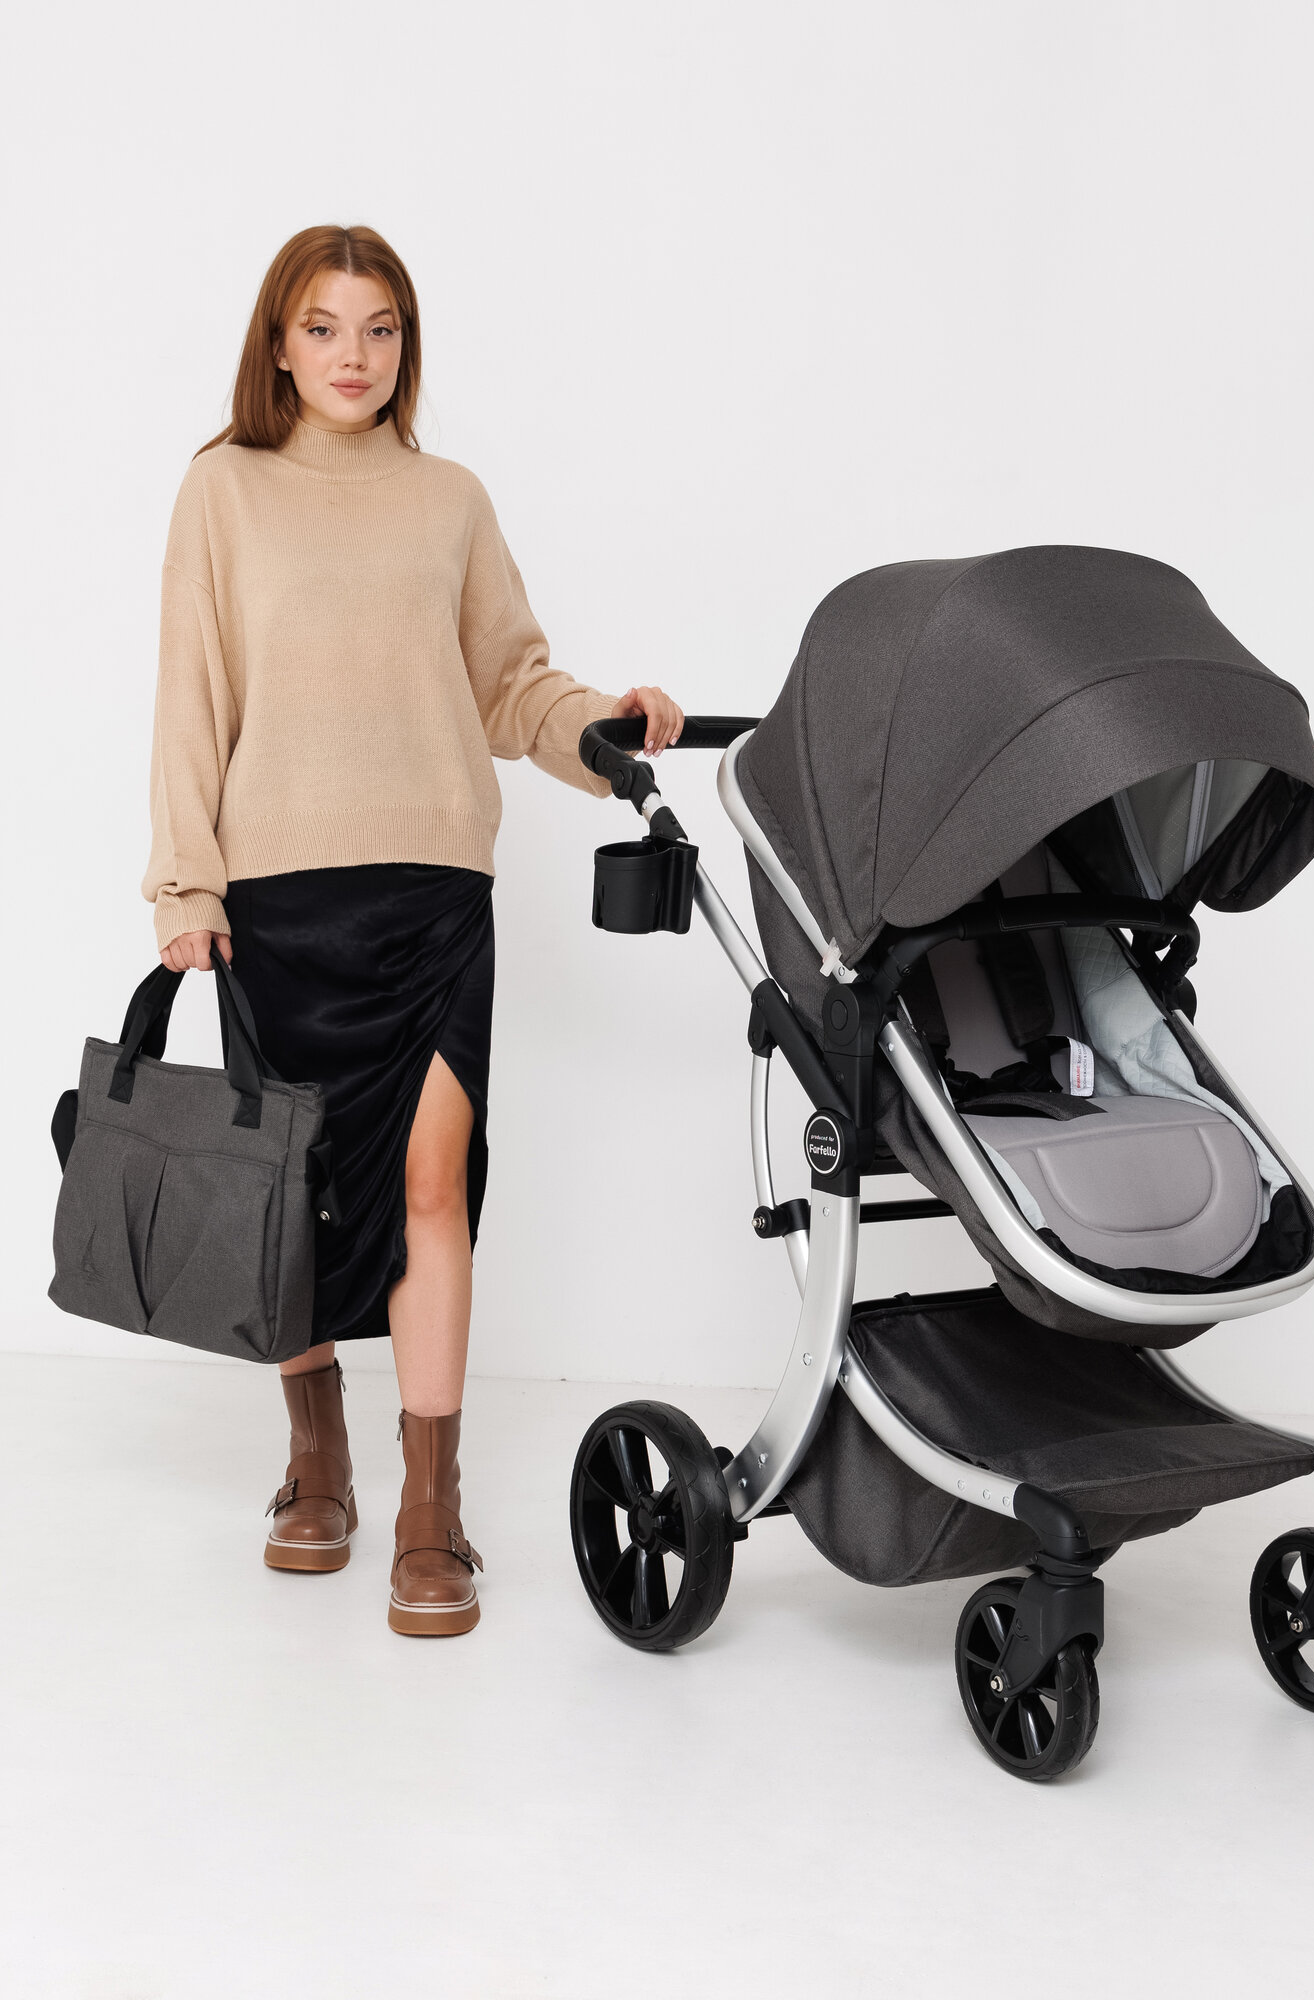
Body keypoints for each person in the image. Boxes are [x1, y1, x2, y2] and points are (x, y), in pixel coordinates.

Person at [143, 223, 682, 1637]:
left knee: (434, 1186)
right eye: (324, 327)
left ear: (407, 346)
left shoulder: (450, 500)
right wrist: (185, 887)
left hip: (433, 892)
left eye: (380, 328)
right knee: (291, 1193)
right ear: (279, 345)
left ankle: (431, 1510)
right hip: (276, 899)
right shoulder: (224, 489)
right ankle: (316, 1463)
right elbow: (192, 695)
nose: (354, 355)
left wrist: (607, 725)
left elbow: (512, 686)